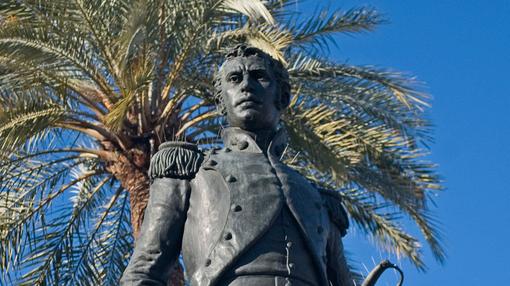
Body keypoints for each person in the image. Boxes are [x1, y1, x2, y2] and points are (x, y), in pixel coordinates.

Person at [120, 45, 353, 286]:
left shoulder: (318, 199)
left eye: (259, 76)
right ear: (222, 102)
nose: (246, 86)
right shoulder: (189, 170)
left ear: (282, 97)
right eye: (235, 78)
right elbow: (144, 271)